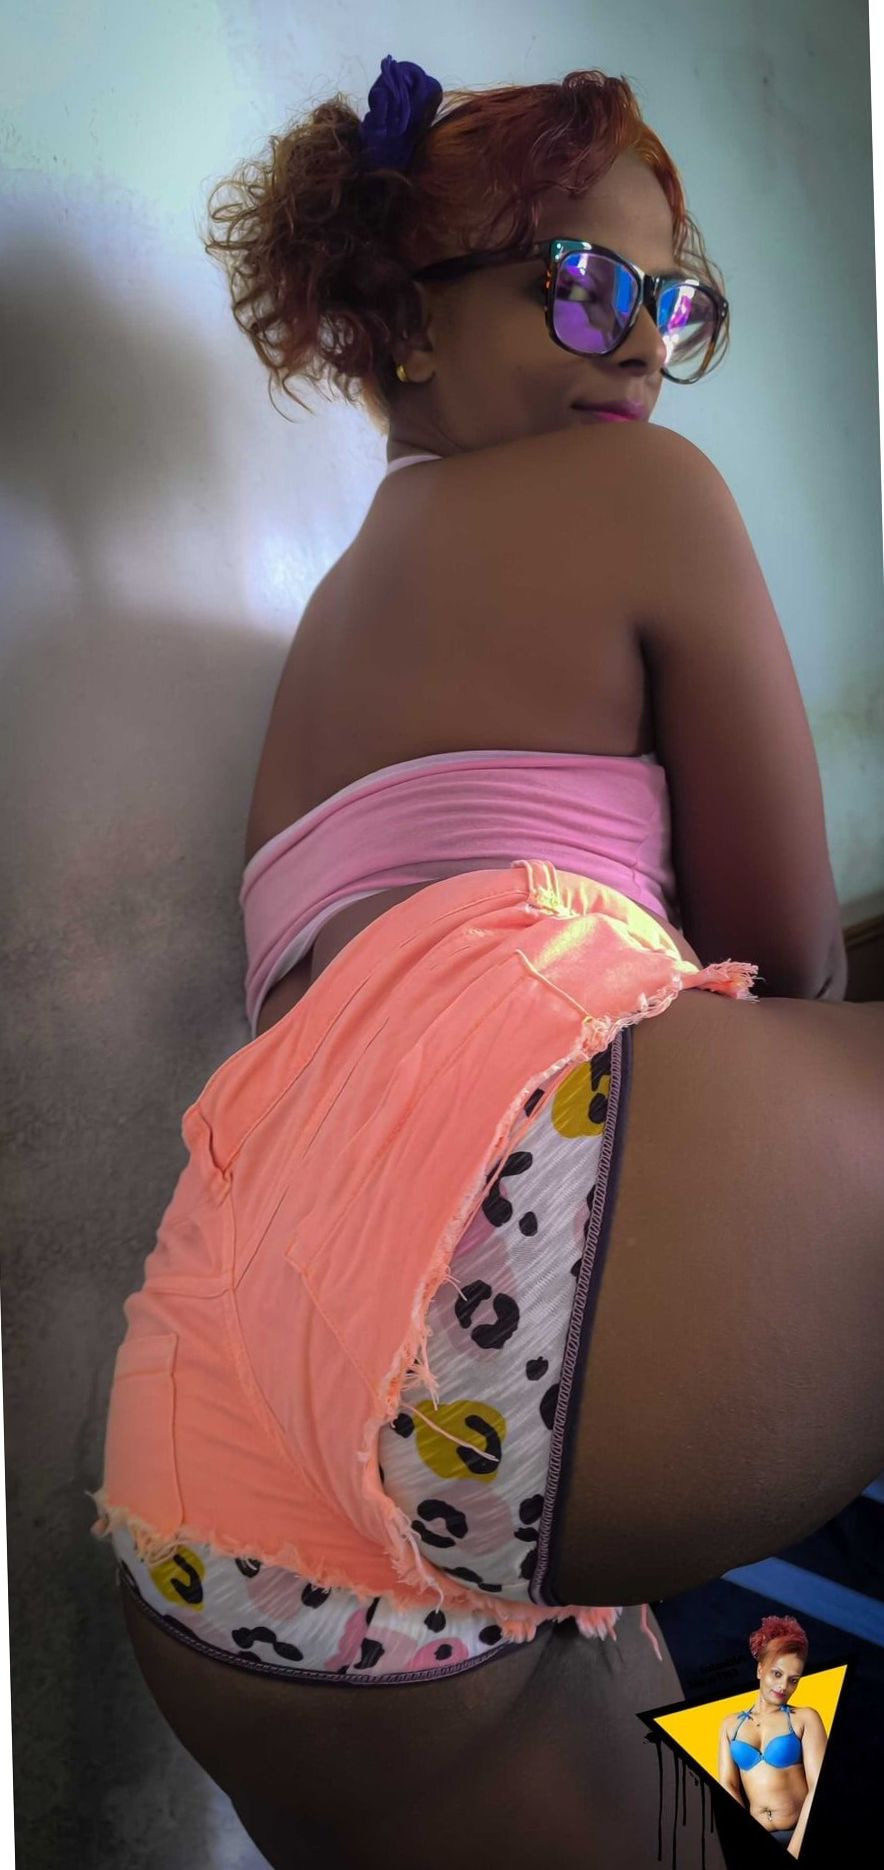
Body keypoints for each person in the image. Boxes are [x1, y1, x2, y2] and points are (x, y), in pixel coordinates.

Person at [87, 57, 884, 1870]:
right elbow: (791, 956)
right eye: (583, 284)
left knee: (694, 1805)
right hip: (527, 1235)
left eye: (673, 303)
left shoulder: (325, 636)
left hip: (219, 1476)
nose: (642, 343)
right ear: (405, 324)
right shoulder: (640, 494)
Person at [718, 1615, 827, 1856]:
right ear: (760, 1669)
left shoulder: (805, 1718)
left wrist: (795, 1849)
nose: (783, 1686)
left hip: (801, 1836)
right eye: (777, 1674)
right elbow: (727, 1785)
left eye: (793, 1680)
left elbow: (819, 1787)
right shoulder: (730, 1724)